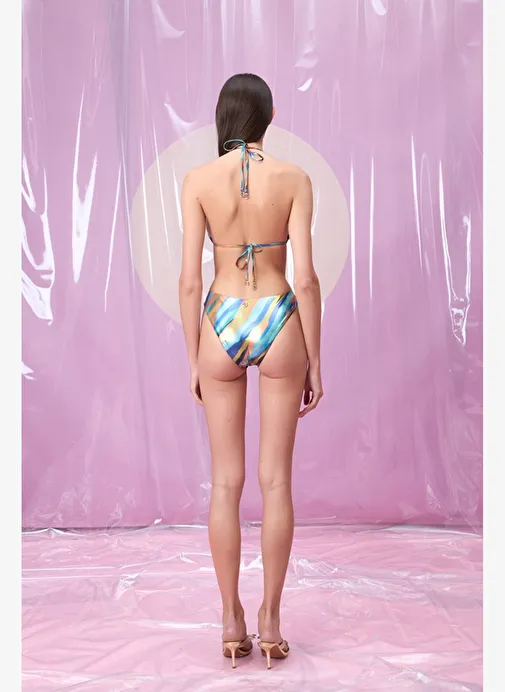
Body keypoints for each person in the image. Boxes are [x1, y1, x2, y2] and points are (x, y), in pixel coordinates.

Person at [178, 73, 323, 669]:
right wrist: (315, 358)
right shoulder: (294, 178)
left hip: (220, 322)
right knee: (276, 482)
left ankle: (230, 621)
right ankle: (270, 621)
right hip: (279, 319)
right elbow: (306, 279)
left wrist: (194, 356)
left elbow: (190, 282)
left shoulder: (197, 180)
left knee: (225, 484)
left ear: (222, 118)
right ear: (270, 116)